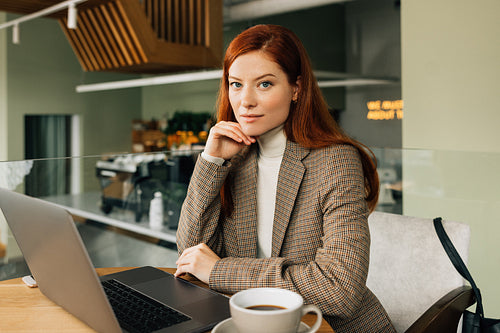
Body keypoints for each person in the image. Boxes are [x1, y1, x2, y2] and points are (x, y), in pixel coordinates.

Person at [175, 24, 395, 332]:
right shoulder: (235, 159)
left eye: (264, 84)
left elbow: (340, 289)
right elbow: (189, 254)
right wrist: (211, 162)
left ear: (296, 88)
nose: (245, 101)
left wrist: (220, 270)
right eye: (236, 84)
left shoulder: (335, 161)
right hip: (257, 322)